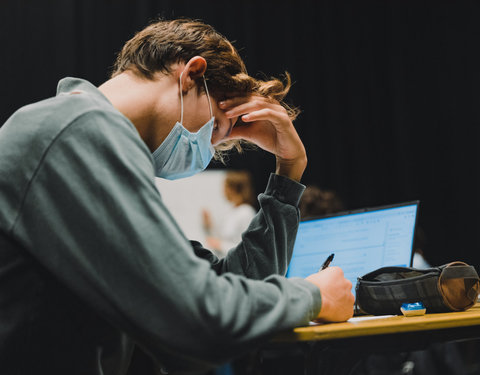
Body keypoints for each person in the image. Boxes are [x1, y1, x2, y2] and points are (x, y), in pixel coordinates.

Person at [0, 18, 354, 375]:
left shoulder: (82, 134)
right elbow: (199, 320)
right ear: (190, 75)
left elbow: (231, 286)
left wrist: (288, 172)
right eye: (216, 126)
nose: (207, 149)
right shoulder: (76, 129)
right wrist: (313, 296)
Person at [202, 170, 257, 258]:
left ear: (233, 188)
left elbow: (246, 248)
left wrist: (220, 245)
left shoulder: (246, 212)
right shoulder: (232, 211)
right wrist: (209, 226)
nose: (223, 191)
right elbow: (222, 238)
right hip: (224, 263)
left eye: (225, 186)